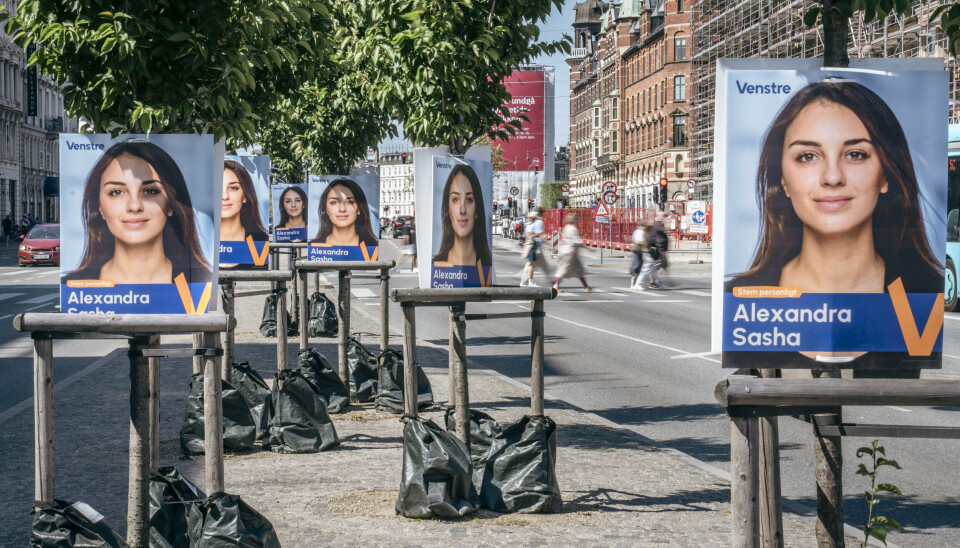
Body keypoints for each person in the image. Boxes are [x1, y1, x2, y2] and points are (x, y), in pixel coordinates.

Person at [727, 79, 943, 369]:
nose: (832, 177)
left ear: (886, 175)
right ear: (783, 180)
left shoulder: (924, 293)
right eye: (807, 156)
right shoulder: (740, 299)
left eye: (855, 154)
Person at [63, 140, 212, 284]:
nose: (134, 206)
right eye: (116, 192)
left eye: (150, 191)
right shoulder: (72, 287)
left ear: (171, 204)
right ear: (100, 208)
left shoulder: (202, 285)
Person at [432, 164, 493, 267]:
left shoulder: (487, 264)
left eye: (469, 200)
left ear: (477, 210)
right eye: (455, 199)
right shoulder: (436, 264)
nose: (462, 210)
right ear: (449, 211)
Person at [311, 178, 379, 248]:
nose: (342, 209)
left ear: (359, 209)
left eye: (349, 202)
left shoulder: (372, 247)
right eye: (334, 202)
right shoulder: (314, 247)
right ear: (326, 210)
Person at [221, 160, 268, 243]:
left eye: (233, 188)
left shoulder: (261, 241)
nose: (225, 196)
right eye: (217, 188)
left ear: (245, 195)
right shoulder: (195, 243)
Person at [553, 213, 592, 292]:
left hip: (566, 251)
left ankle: (586, 287)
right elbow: (578, 242)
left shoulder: (566, 227)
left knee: (578, 269)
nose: (578, 221)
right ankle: (555, 286)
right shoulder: (573, 229)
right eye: (577, 219)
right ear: (574, 220)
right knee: (564, 269)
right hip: (570, 252)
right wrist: (588, 248)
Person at [633, 220, 664, 291]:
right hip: (646, 252)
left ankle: (660, 283)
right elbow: (640, 242)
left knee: (653, 270)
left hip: (646, 252)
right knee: (646, 269)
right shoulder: (642, 233)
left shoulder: (642, 232)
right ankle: (638, 284)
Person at [521, 208, 549, 286]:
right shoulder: (530, 225)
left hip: (534, 246)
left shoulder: (529, 224)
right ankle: (530, 281)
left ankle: (524, 281)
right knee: (532, 265)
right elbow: (531, 236)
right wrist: (539, 233)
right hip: (532, 246)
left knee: (531, 264)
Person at [629, 220, 648, 288]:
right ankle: (635, 284)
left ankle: (632, 284)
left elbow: (633, 240)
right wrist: (645, 243)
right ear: (643, 226)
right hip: (639, 251)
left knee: (635, 267)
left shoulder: (636, 231)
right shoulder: (641, 232)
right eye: (645, 226)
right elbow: (640, 241)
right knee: (638, 267)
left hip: (635, 251)